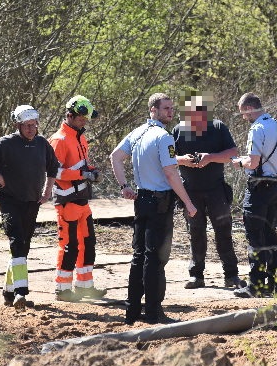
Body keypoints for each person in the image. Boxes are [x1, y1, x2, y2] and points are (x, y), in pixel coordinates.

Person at [110, 92, 198, 324]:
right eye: (166, 108)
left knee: (139, 255)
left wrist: (124, 186)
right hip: (160, 202)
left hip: (142, 199)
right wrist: (188, 202)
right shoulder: (164, 136)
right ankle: (153, 311)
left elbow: (116, 157)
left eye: (171, 108)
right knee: (155, 258)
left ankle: (132, 311)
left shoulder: (137, 133)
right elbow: (170, 173)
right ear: (153, 110)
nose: (171, 112)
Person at [0, 105, 58, 310]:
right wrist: (0, 178)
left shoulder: (42, 144)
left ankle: (8, 292)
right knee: (17, 242)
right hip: (10, 200)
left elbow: (53, 167)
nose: (31, 129)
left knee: (23, 247)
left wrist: (47, 191)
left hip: (32, 201)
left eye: (34, 125)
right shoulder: (6, 143)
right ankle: (21, 292)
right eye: (27, 125)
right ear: (18, 125)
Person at [172, 92, 245, 289]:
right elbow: (169, 158)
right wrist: (184, 160)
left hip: (216, 190)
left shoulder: (218, 127)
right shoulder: (178, 130)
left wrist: (210, 157)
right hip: (190, 191)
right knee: (195, 232)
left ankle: (231, 275)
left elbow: (232, 153)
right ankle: (196, 275)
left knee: (224, 232)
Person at [48, 95, 107, 302]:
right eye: (81, 118)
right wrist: (84, 175)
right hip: (66, 201)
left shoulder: (80, 138)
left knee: (88, 242)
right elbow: (54, 173)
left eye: (86, 118)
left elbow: (82, 165)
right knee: (69, 244)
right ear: (69, 115)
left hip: (83, 200)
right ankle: (62, 289)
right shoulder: (59, 140)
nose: (84, 121)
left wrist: (92, 172)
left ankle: (85, 286)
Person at [230, 92, 277, 298]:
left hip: (258, 188)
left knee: (255, 237)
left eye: (243, 114)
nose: (244, 118)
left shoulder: (257, 129)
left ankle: (255, 285)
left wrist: (238, 162)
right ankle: (276, 284)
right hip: (275, 186)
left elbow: (253, 163)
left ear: (248, 109)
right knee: (271, 235)